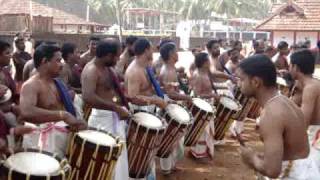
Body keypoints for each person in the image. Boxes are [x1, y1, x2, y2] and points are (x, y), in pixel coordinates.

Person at [237, 54, 319, 179]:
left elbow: (272, 170)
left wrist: (251, 158)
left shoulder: (271, 114)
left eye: (241, 79)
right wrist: (264, 157)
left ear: (255, 82)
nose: (238, 84)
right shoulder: (284, 102)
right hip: (304, 170)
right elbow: (294, 151)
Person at [19, 44, 87, 157]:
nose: (61, 65)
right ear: (45, 61)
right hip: (41, 144)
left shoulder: (57, 82)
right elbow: (26, 112)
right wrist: (62, 115)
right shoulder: (31, 85)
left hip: (60, 139)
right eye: (58, 60)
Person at [82, 38, 133, 180]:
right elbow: (88, 96)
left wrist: (129, 99)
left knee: (118, 157)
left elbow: (114, 90)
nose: (118, 59)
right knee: (104, 159)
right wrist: (115, 108)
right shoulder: (91, 70)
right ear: (108, 55)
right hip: (102, 120)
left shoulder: (108, 68)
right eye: (116, 55)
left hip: (115, 116)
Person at [125, 38, 167, 180]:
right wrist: (155, 100)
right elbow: (132, 97)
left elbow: (150, 88)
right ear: (145, 51)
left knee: (149, 151)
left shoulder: (146, 65)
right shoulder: (134, 71)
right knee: (139, 151)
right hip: (139, 115)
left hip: (149, 111)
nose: (153, 51)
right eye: (151, 48)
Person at [158, 42, 192, 174]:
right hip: (170, 105)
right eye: (176, 51)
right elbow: (171, 93)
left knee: (174, 137)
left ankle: (171, 165)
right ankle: (166, 168)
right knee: (170, 136)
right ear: (171, 54)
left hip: (173, 104)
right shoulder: (167, 71)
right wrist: (187, 98)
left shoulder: (171, 69)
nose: (178, 54)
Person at [289, 49, 320, 171]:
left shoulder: (310, 88)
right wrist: (296, 93)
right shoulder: (308, 85)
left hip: (315, 136)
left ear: (295, 67)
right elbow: (290, 105)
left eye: (290, 65)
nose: (289, 69)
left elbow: (303, 121)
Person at [189, 52, 219, 160]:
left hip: (208, 104)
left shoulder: (206, 72)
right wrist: (212, 95)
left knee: (207, 129)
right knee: (201, 129)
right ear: (203, 63)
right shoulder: (198, 75)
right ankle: (198, 153)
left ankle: (204, 151)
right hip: (201, 106)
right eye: (208, 60)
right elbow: (196, 95)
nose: (209, 62)